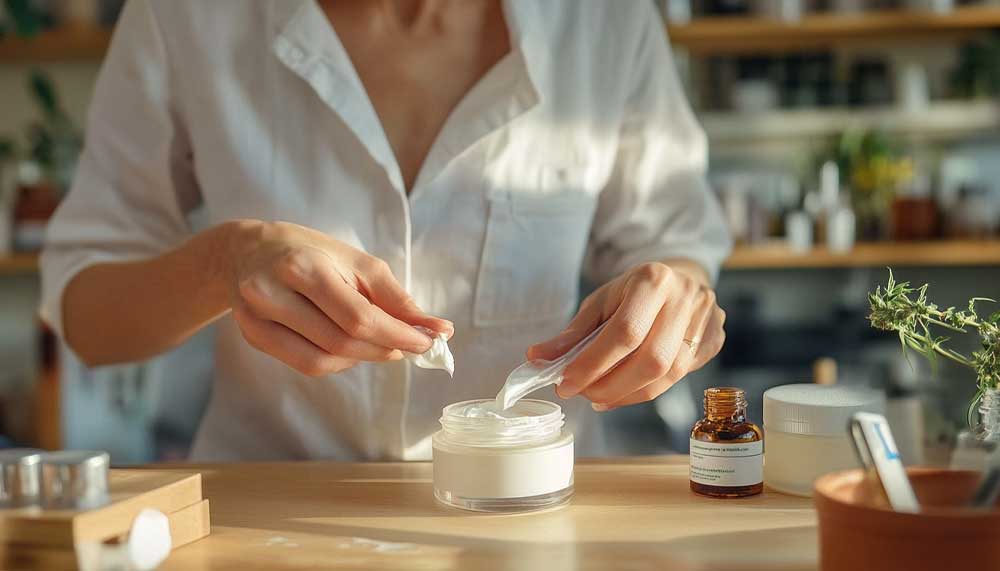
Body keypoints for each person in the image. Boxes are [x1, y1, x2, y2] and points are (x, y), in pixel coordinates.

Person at [40, 0, 731, 461]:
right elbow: (87, 314)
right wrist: (226, 260)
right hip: (268, 522)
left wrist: (678, 300)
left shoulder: (603, 20)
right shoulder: (187, 17)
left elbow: (674, 244)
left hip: (532, 519)